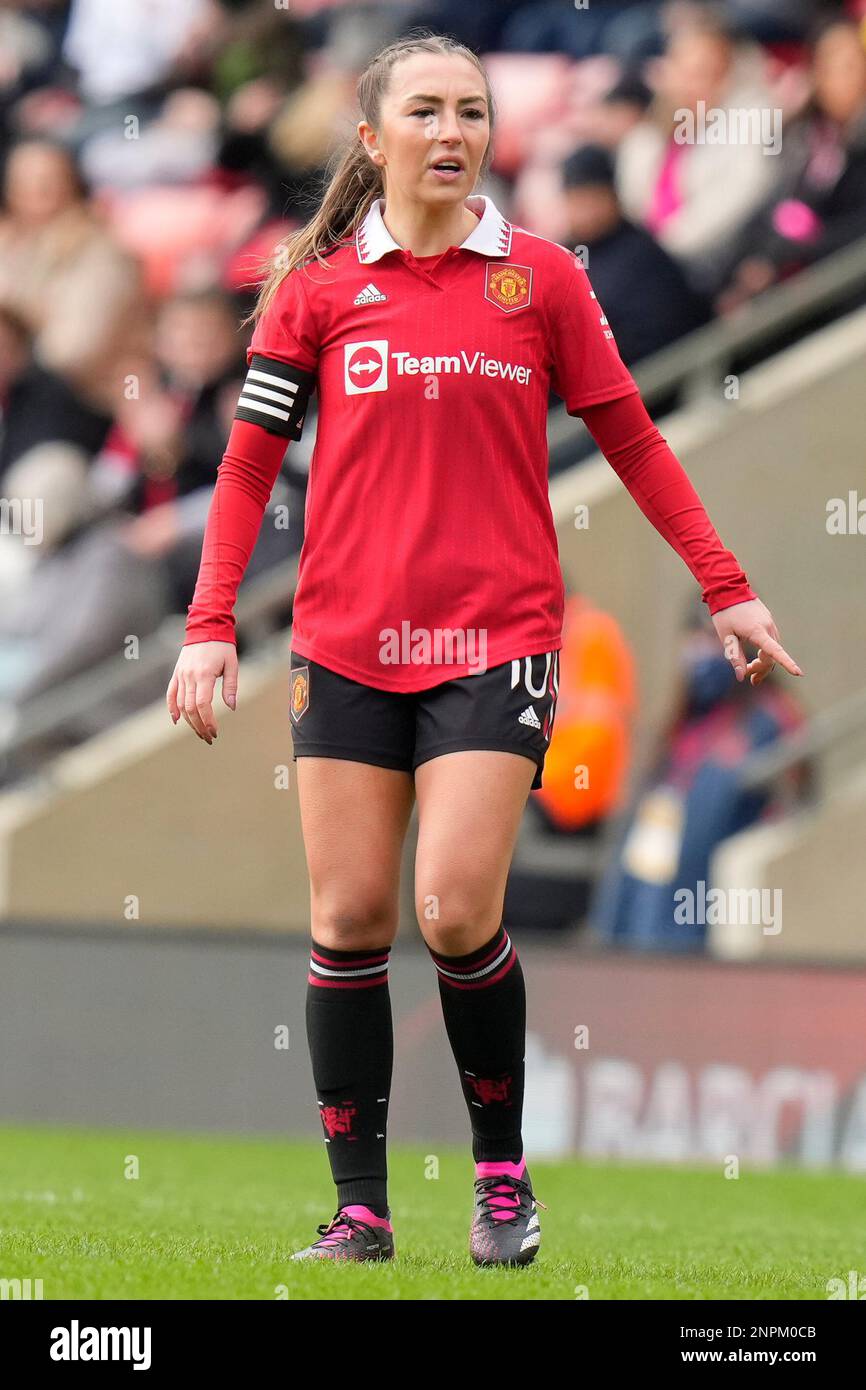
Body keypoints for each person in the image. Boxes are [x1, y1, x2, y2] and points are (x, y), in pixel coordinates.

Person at [166, 29, 802, 1268]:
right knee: (348, 917)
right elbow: (245, 469)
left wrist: (725, 588)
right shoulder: (314, 292)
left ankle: (502, 1183)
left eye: (471, 110)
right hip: (343, 638)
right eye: (424, 111)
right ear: (374, 139)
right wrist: (206, 625)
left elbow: (635, 442)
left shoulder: (545, 281)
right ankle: (360, 1210)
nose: (451, 132)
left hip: (494, 635)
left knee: (452, 907)